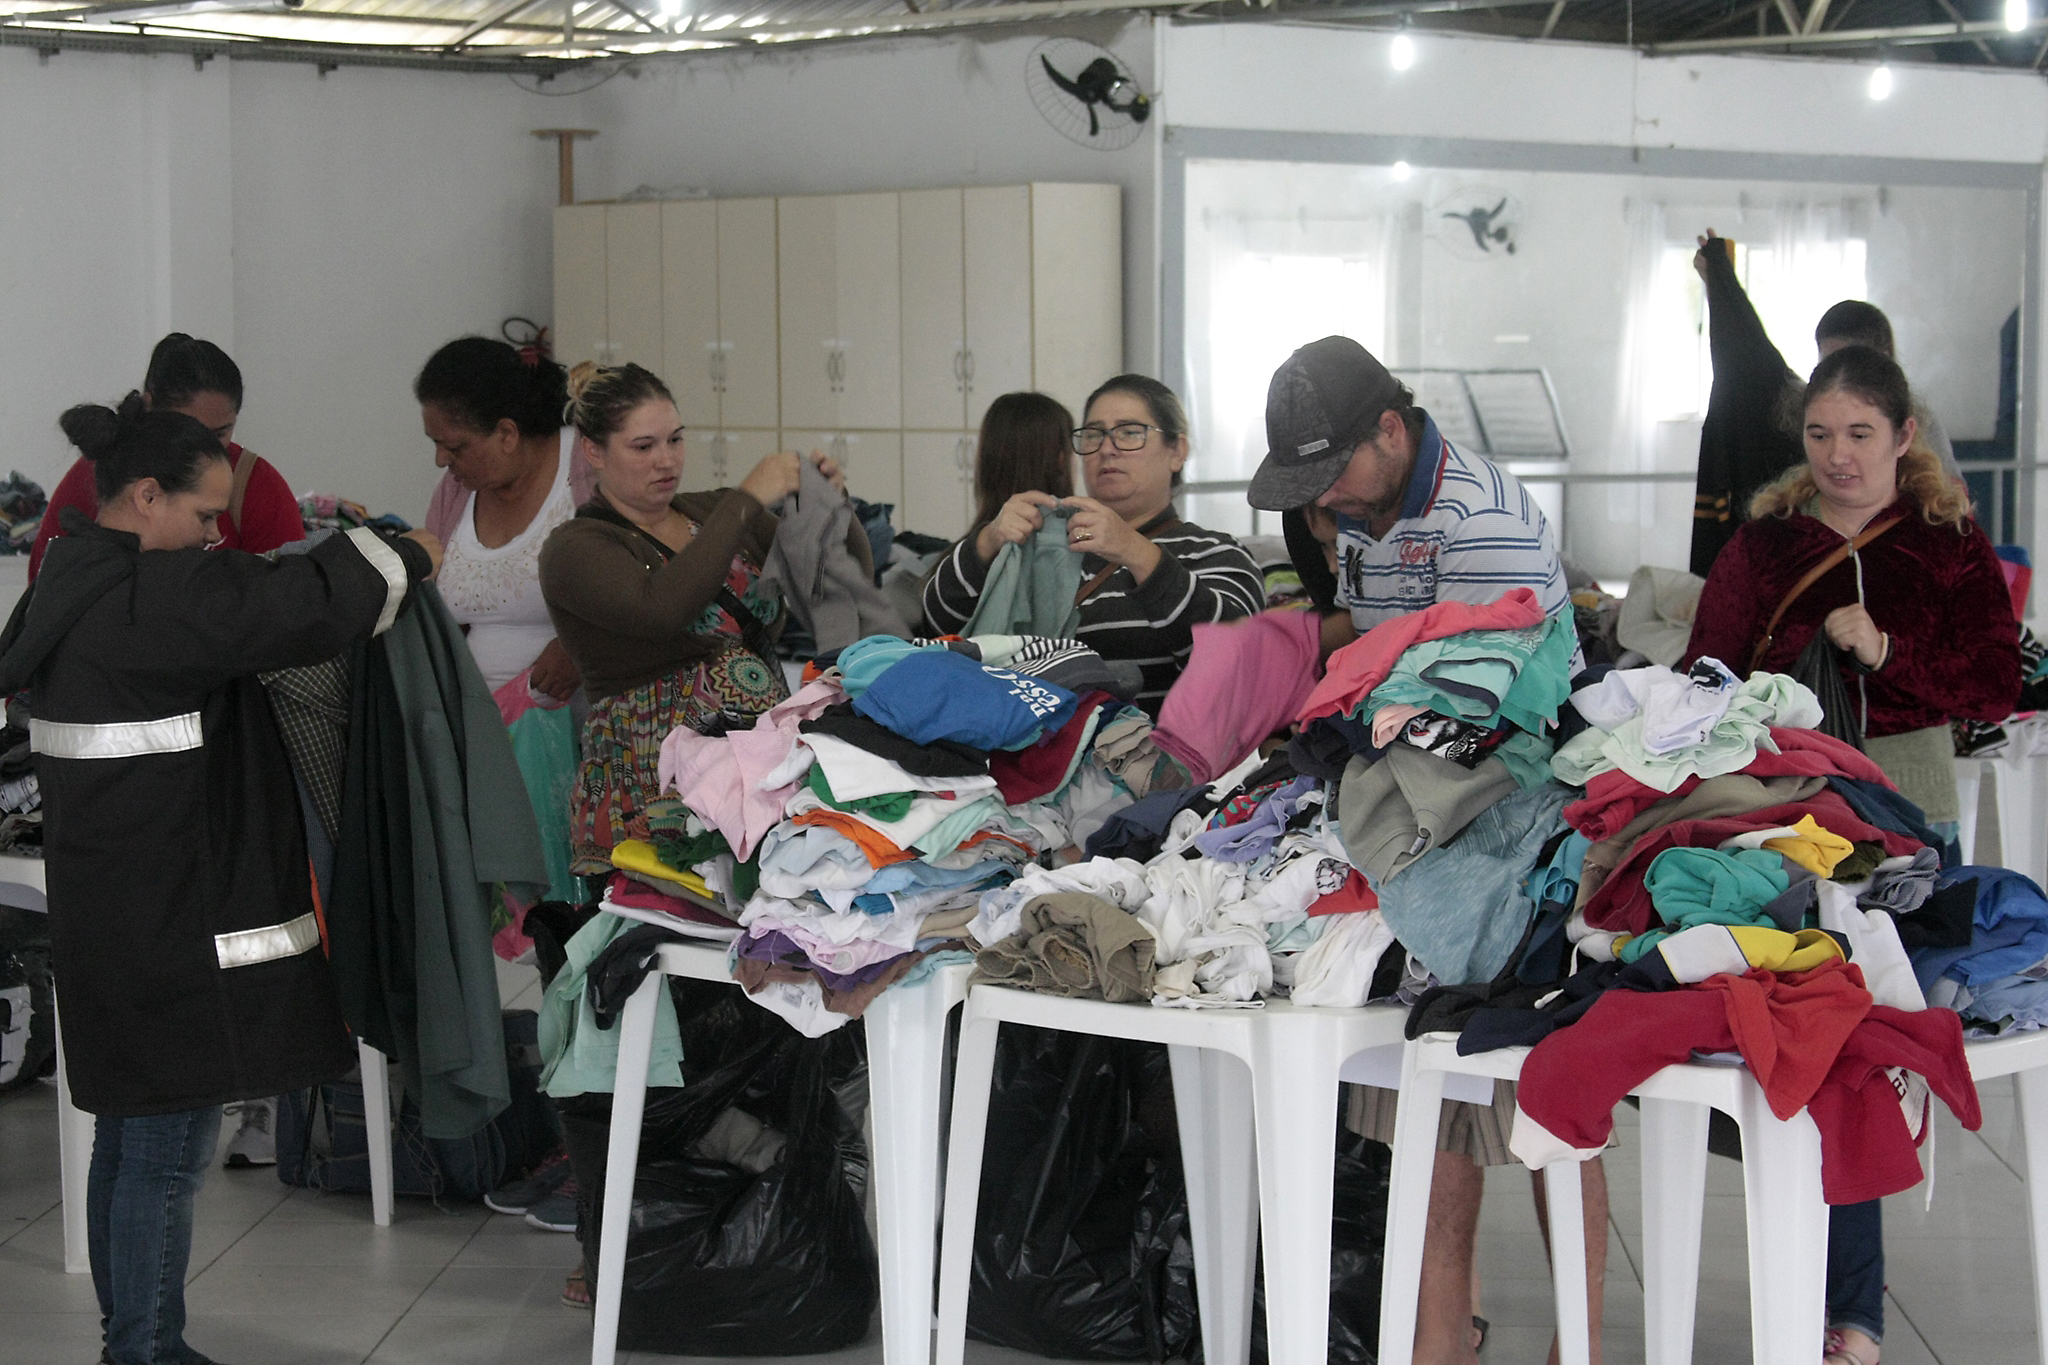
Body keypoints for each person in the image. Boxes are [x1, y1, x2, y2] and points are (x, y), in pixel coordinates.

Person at [0, 395, 438, 1365]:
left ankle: (130, 1337)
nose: (214, 536)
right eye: (203, 514)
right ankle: (146, 1350)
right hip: (170, 925)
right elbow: (294, 605)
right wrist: (403, 554)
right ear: (145, 497)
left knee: (126, 1138)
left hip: (110, 915)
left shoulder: (64, 581)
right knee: (167, 1154)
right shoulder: (155, 599)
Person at [1248, 334, 1596, 1365]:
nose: (1327, 503)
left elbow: (1485, 708)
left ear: (1390, 431)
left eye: (1333, 474)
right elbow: (1377, 658)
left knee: (1545, 1095)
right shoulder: (1366, 510)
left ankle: (1574, 1347)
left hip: (1514, 822)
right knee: (1428, 1095)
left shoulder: (1482, 524)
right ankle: (1441, 1341)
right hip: (1413, 816)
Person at [1681, 345, 2020, 1365]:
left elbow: (1994, 683)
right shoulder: (1763, 547)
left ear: (1903, 436)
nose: (1838, 455)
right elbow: (1701, 676)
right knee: (1806, 1046)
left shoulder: (1946, 546)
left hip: (1904, 820)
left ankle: (1851, 1311)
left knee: (1859, 1051)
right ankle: (1829, 1301)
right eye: (1820, 434)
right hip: (1783, 819)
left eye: (1860, 434)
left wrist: (1885, 654)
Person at [539, 362, 845, 874]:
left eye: (675, 440)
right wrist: (746, 500)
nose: (666, 460)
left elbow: (830, 583)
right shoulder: (575, 549)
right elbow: (662, 610)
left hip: (758, 773)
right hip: (652, 788)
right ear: (594, 451)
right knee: (663, 921)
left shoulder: (714, 511)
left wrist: (828, 509)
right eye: (643, 446)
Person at [922, 374, 1263, 715]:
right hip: (1028, 740)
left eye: (1130, 432)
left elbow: (1240, 661)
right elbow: (939, 628)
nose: (1106, 448)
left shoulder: (1213, 551)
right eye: (1093, 435)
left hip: (1152, 744)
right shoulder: (1047, 545)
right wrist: (988, 540)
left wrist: (1135, 551)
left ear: (1177, 451)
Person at [29, 333, 304, 579]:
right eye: (187, 430)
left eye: (220, 433)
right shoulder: (102, 471)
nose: (204, 448)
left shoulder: (257, 486)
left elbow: (291, 596)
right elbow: (46, 585)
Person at [420, 336, 594, 701]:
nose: (440, 460)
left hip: (579, 716)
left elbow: (643, 580)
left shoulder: (588, 468)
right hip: (480, 717)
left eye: (454, 447)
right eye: (435, 444)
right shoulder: (454, 490)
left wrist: (582, 646)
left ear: (507, 434)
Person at [1813, 298, 1960, 476]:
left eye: (1860, 436)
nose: (1838, 457)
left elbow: (1952, 488)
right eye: (1829, 364)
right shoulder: (1810, 417)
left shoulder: (1922, 425)